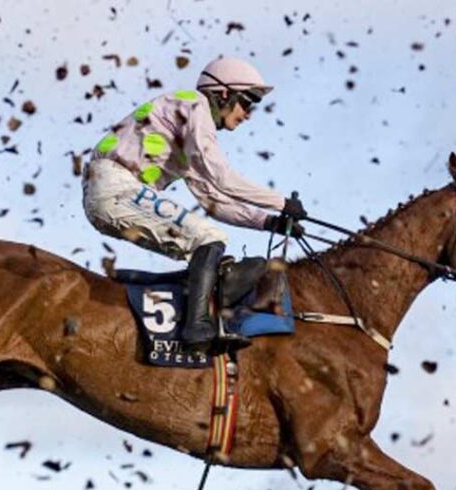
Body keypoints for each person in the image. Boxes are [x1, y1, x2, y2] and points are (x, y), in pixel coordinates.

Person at [83, 56, 305, 348]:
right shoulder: (196, 105)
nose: (249, 114)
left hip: (112, 191)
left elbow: (213, 199)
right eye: (248, 102)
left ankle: (180, 303)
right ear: (224, 93)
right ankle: (196, 327)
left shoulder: (185, 129)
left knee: (207, 245)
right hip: (116, 187)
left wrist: (266, 222)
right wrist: (280, 203)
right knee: (209, 239)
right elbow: (222, 178)